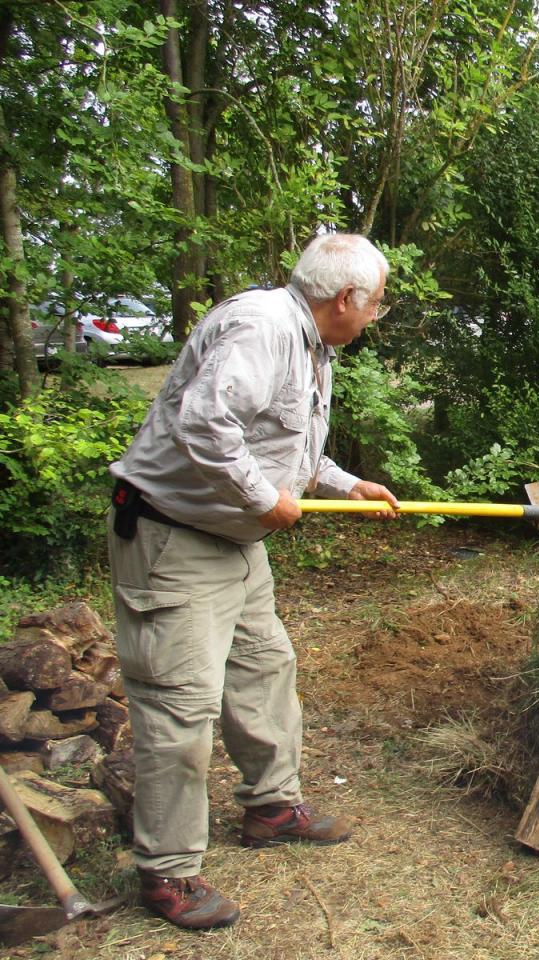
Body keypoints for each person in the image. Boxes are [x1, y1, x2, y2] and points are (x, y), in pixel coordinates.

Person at [106, 233, 400, 930]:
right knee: (181, 706)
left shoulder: (308, 343)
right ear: (346, 299)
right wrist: (265, 499)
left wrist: (343, 481)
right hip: (175, 538)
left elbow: (282, 440)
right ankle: (168, 872)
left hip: (235, 540)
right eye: (378, 305)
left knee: (264, 667)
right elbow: (203, 423)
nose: (375, 316)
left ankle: (271, 806)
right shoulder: (266, 328)